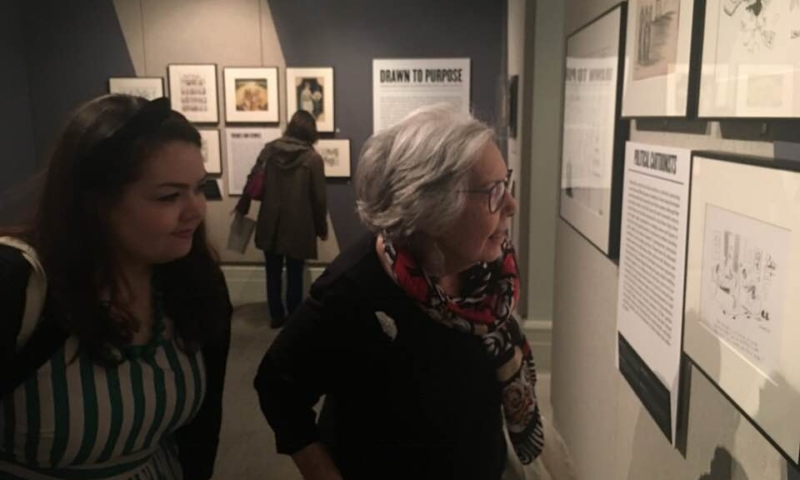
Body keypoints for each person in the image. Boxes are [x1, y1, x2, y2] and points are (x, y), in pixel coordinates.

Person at [253, 105, 544, 479]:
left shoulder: (490, 276)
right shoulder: (354, 290)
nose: (512, 205)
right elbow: (278, 388)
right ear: (433, 206)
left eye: (507, 183)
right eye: (494, 191)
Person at [0, 95, 232, 479]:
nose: (195, 210)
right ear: (96, 201)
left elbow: (200, 434)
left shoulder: (196, 282)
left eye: (200, 188)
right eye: (169, 196)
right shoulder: (18, 283)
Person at [241, 110, 328, 328]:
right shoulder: (313, 159)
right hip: (299, 226)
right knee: (295, 274)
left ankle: (276, 315)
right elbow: (319, 199)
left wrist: (244, 205)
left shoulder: (270, 150)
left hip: (270, 222)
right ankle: (294, 317)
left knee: (272, 272)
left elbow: (252, 178)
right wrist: (321, 228)